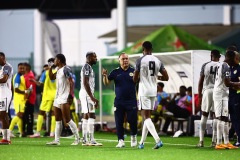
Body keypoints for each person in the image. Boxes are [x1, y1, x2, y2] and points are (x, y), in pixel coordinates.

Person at [133, 41, 169, 149]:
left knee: (147, 117)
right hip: (154, 91)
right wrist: (157, 78)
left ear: (143, 50)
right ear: (151, 49)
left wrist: (137, 78)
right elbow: (166, 77)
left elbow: (134, 79)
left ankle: (158, 140)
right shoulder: (158, 61)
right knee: (147, 117)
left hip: (144, 91)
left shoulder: (140, 60)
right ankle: (141, 143)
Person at [102, 52, 138, 148]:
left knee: (132, 120)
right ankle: (120, 140)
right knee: (119, 121)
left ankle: (133, 136)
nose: (125, 60)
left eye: (127, 58)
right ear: (119, 60)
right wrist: (104, 76)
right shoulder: (115, 72)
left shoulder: (134, 71)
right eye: (123, 59)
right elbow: (106, 83)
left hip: (131, 101)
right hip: (119, 101)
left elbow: (139, 82)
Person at [46, 54, 80, 145]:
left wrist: (71, 95)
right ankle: (56, 140)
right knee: (57, 119)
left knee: (67, 119)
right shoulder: (58, 69)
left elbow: (71, 81)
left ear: (59, 61)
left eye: (55, 60)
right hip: (57, 97)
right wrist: (50, 67)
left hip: (65, 96)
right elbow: (51, 77)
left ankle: (77, 138)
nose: (54, 61)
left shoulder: (66, 69)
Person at [213, 50, 240, 149]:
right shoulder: (225, 66)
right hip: (219, 93)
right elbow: (227, 83)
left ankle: (227, 142)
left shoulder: (224, 65)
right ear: (230, 58)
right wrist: (238, 84)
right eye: (235, 58)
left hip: (224, 93)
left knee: (224, 117)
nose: (236, 60)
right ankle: (218, 143)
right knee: (220, 117)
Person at [196, 49, 221, 147]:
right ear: (219, 56)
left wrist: (199, 95)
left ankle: (201, 141)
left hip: (207, 91)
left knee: (204, 115)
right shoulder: (222, 66)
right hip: (217, 91)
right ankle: (214, 141)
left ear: (211, 55)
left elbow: (200, 82)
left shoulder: (205, 65)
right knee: (215, 116)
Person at [79, 51, 102, 146]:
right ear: (88, 58)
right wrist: (92, 97)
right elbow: (85, 82)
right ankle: (91, 140)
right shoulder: (87, 67)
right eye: (94, 56)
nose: (96, 58)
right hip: (86, 94)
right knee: (91, 115)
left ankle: (84, 139)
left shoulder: (88, 67)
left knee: (85, 115)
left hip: (86, 94)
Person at [30, 58, 56, 138]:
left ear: (49, 64)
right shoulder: (59, 71)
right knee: (53, 114)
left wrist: (34, 81)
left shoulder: (46, 73)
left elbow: (40, 84)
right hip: (56, 96)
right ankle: (52, 133)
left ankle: (37, 132)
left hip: (47, 96)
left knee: (41, 113)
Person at [9, 63, 29, 137]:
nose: (22, 70)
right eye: (20, 68)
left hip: (20, 99)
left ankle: (21, 132)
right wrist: (25, 92)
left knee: (20, 116)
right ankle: (9, 131)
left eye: (23, 68)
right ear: (18, 69)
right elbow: (16, 89)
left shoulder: (21, 76)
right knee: (20, 115)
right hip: (19, 99)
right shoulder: (18, 77)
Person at [226, 46, 240, 147]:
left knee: (238, 118)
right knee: (234, 119)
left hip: (238, 96)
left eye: (227, 58)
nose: (225, 60)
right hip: (231, 96)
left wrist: (231, 83)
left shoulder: (239, 68)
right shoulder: (229, 69)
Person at [0, 52, 13, 144]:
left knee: (3, 115)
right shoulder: (2, 68)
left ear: (3, 57)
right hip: (2, 93)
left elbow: (4, 79)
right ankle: (6, 137)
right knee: (2, 115)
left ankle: (6, 139)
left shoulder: (7, 67)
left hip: (4, 93)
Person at [22, 62, 36, 136]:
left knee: (29, 115)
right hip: (26, 98)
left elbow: (30, 89)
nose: (22, 69)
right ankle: (24, 130)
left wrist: (27, 98)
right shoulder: (26, 75)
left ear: (27, 68)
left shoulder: (30, 76)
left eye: (23, 68)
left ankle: (30, 131)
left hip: (29, 99)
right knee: (25, 115)